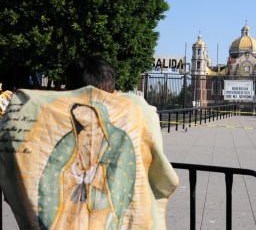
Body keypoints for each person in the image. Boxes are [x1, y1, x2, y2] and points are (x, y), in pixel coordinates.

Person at [0, 56, 179, 229]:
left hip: (103, 209)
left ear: (69, 88)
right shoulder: (136, 111)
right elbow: (53, 173)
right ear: (112, 88)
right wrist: (75, 174)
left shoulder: (51, 116)